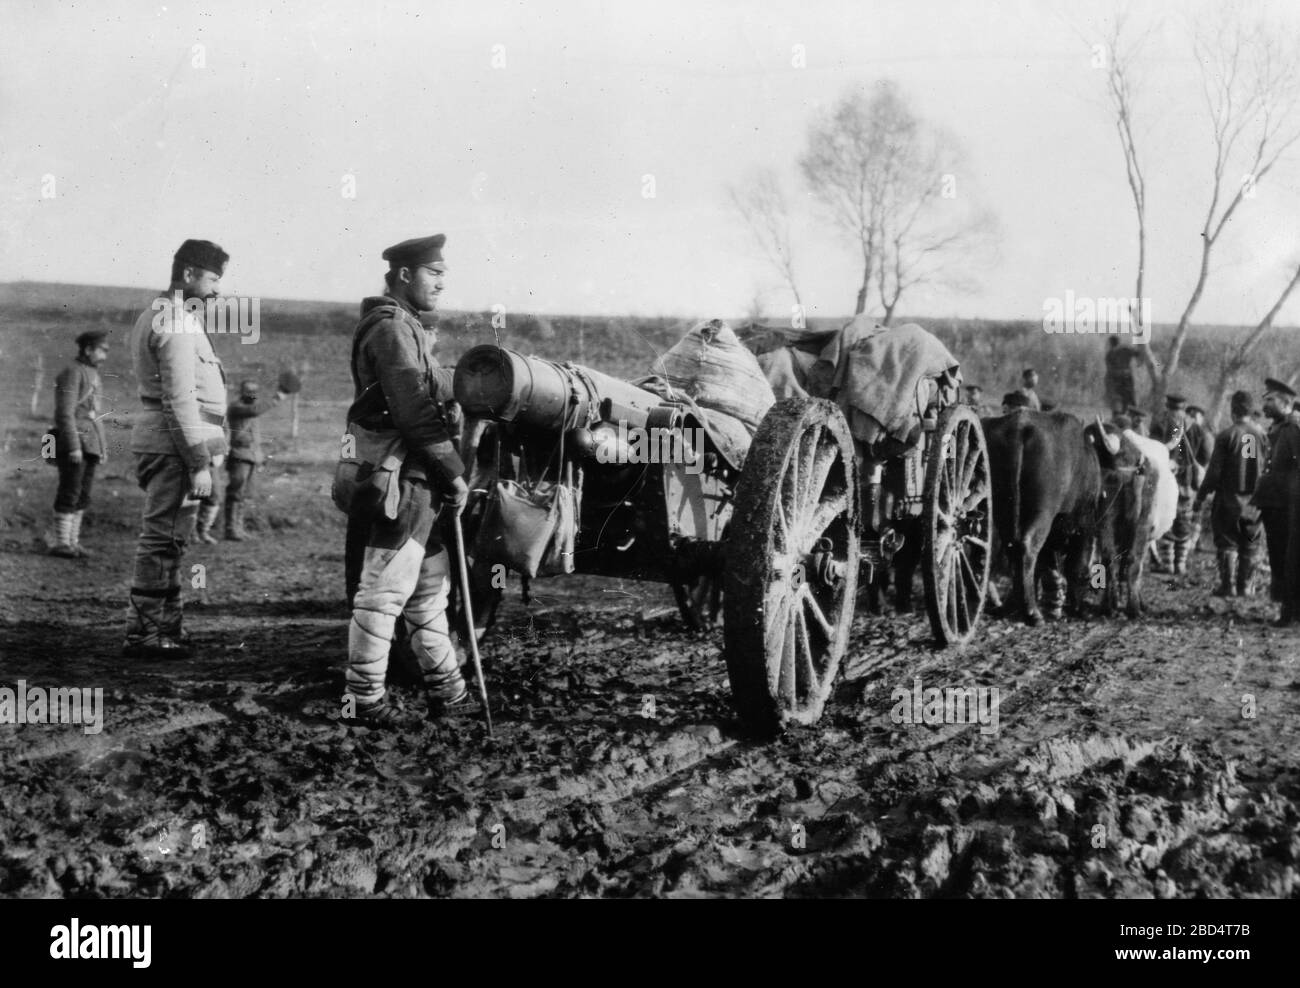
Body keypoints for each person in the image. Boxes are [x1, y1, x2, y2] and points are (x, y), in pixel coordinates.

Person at [341, 233, 470, 727]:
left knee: (426, 592)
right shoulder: (393, 329)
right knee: (384, 591)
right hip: (405, 474)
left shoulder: (406, 327)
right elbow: (413, 410)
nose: (441, 283)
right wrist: (454, 473)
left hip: (412, 475)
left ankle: (449, 690)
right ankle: (364, 699)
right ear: (404, 276)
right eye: (433, 274)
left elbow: (428, 384)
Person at [122, 240, 230, 659]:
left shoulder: (170, 315)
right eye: (212, 278)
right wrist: (199, 461)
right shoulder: (175, 322)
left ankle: (166, 629)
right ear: (188, 275)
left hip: (172, 444)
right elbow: (180, 399)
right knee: (162, 540)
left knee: (172, 540)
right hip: (176, 447)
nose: (218, 289)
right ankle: (144, 636)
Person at [1194, 391, 1267, 597]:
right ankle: (1245, 587)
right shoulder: (1261, 436)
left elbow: (1214, 472)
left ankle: (1228, 586)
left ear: (1233, 410)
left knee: (1227, 542)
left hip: (1228, 500)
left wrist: (1201, 496)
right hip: (1254, 502)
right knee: (1250, 544)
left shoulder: (1226, 436)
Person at [45, 330, 110, 558]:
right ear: (88, 349)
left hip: (89, 443)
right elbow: (64, 413)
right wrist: (73, 445)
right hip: (73, 443)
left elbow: (94, 415)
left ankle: (72, 542)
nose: (104, 355)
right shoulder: (72, 373)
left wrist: (101, 448)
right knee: (70, 491)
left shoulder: (91, 373)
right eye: (101, 350)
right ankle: (61, 543)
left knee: (83, 494)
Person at [1252, 379, 1300, 625]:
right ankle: (1289, 608)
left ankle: (1289, 611)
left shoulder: (1293, 428)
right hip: (1277, 502)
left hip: (1289, 504)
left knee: (1289, 557)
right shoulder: (1281, 427)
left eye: (1270, 399)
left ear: (1286, 403)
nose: (1265, 404)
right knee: (1280, 556)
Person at [1150, 393, 1212, 575]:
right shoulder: (1197, 429)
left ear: (1167, 406)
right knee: (1184, 522)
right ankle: (1181, 564)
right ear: (1184, 408)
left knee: (1167, 521)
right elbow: (1206, 455)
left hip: (1166, 482)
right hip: (1187, 484)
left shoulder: (1160, 424)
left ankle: (1167, 564)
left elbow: (1154, 451)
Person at [221, 379, 286, 541]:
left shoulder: (250, 410)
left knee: (244, 494)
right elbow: (256, 410)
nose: (252, 394)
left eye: (255, 391)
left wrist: (261, 457)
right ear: (241, 392)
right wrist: (276, 398)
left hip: (250, 456)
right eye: (249, 391)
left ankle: (238, 528)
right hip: (239, 455)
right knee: (236, 492)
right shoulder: (237, 407)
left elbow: (255, 436)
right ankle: (230, 529)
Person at [1104, 337, 1139, 414]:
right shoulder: (1125, 349)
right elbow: (1137, 353)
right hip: (1123, 379)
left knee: (1127, 399)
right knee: (1125, 400)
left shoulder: (1112, 353)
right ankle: (1124, 416)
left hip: (1121, 379)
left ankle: (1128, 416)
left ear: (1111, 344)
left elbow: (1110, 370)